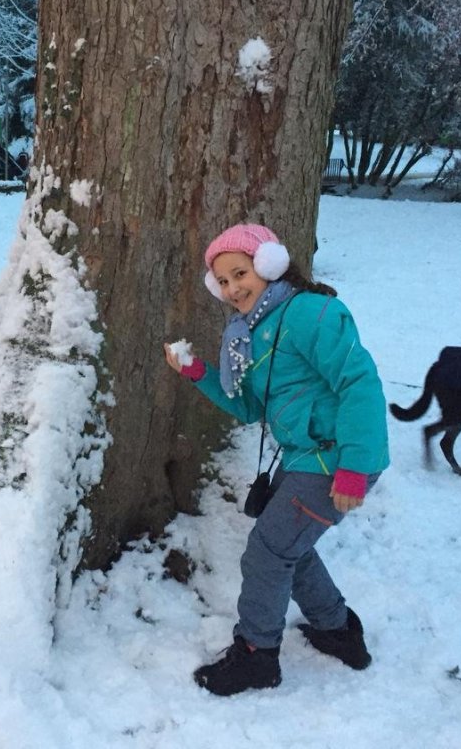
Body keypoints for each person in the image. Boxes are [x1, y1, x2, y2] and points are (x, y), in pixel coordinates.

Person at [163, 223, 389, 695]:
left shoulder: (310, 312)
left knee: (268, 552)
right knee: (288, 546)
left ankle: (256, 656)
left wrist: (353, 467)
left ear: (269, 265)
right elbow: (250, 407)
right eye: (222, 281)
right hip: (305, 457)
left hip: (334, 459)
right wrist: (198, 372)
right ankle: (337, 631)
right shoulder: (248, 332)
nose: (232, 288)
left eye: (240, 273)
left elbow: (359, 383)